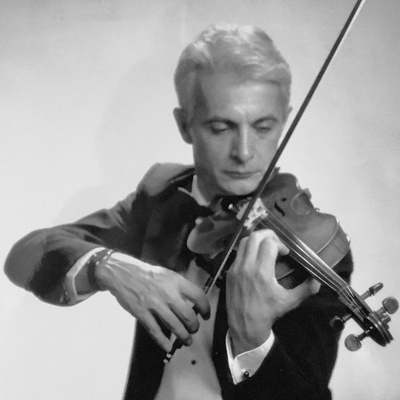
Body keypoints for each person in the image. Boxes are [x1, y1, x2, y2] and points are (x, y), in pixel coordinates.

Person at [4, 24, 353, 400]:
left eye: (264, 127)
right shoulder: (163, 195)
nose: (245, 151)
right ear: (184, 124)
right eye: (221, 127)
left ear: (284, 120)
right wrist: (108, 266)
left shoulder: (314, 248)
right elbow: (24, 257)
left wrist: (254, 339)